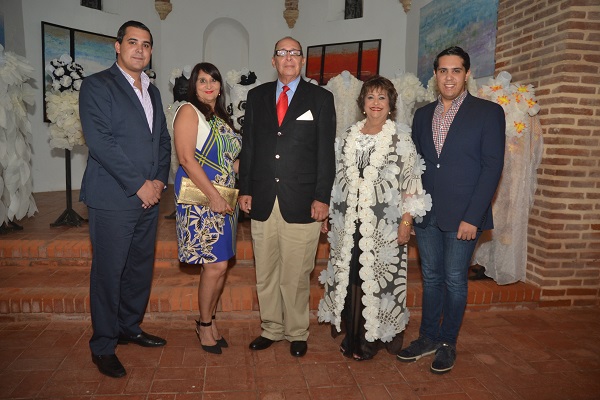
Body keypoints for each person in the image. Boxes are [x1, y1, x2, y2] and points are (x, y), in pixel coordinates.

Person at [397, 46, 505, 374]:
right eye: (443, 71)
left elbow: (492, 168)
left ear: (467, 74)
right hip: (428, 212)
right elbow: (416, 167)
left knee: (455, 279)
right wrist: (411, 210)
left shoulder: (488, 113)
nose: (449, 77)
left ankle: (447, 342)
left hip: (464, 216)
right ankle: (427, 337)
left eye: (456, 70)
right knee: (431, 278)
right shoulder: (423, 114)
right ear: (435, 75)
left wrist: (473, 217)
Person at [79, 20, 171, 378]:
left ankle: (129, 327)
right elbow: (101, 142)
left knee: (138, 269)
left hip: (149, 197)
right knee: (108, 272)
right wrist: (139, 185)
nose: (140, 50)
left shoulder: (154, 91)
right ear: (117, 46)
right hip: (114, 197)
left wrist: (159, 182)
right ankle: (103, 345)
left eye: (146, 45)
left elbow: (161, 140)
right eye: (132, 42)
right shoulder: (97, 85)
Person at [317, 75, 431, 361]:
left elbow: (412, 182)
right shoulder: (347, 135)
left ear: (391, 104)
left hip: (383, 225)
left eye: (382, 98)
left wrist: (406, 221)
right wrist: (330, 212)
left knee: (378, 280)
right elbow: (336, 179)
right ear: (362, 103)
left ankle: (371, 341)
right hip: (348, 223)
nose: (376, 103)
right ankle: (353, 335)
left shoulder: (400, 138)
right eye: (371, 97)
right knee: (353, 275)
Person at [238, 36, 336, 357]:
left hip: (303, 200)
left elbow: (325, 154)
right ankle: (271, 328)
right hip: (263, 197)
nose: (289, 58)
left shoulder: (320, 99)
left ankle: (296, 331)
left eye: (295, 53)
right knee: (265, 271)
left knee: (295, 274)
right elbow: (249, 147)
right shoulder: (256, 97)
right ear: (273, 60)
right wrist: (246, 188)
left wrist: (323, 196)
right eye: (282, 53)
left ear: (303, 60)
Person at [173, 62, 242, 355]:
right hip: (202, 196)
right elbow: (187, 159)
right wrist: (213, 196)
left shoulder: (221, 118)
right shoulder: (189, 112)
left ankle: (210, 320)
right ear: (194, 85)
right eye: (202, 81)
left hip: (225, 198)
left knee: (221, 264)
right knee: (213, 266)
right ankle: (203, 325)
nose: (209, 85)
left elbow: (232, 162)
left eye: (213, 80)